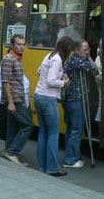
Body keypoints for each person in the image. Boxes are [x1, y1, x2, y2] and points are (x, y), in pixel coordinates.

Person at [34, 36, 72, 177]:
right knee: (53, 133)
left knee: (43, 131)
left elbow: (39, 71)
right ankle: (52, 168)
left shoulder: (50, 56)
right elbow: (51, 81)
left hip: (39, 95)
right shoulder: (58, 59)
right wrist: (64, 83)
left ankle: (43, 166)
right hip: (48, 98)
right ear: (67, 49)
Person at [62, 39, 98, 168]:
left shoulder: (71, 59)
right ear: (77, 50)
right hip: (76, 100)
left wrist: (87, 56)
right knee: (77, 130)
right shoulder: (78, 60)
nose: (87, 52)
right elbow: (94, 70)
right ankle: (70, 159)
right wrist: (90, 58)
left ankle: (72, 155)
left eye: (88, 49)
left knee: (71, 130)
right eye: (85, 49)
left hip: (69, 100)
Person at [0, 34, 33, 165]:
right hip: (15, 98)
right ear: (12, 45)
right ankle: (12, 152)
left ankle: (8, 151)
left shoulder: (17, 58)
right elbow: (6, 82)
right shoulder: (9, 59)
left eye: (23, 44)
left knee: (13, 126)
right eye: (19, 44)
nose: (21, 47)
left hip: (18, 97)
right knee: (27, 125)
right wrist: (11, 102)